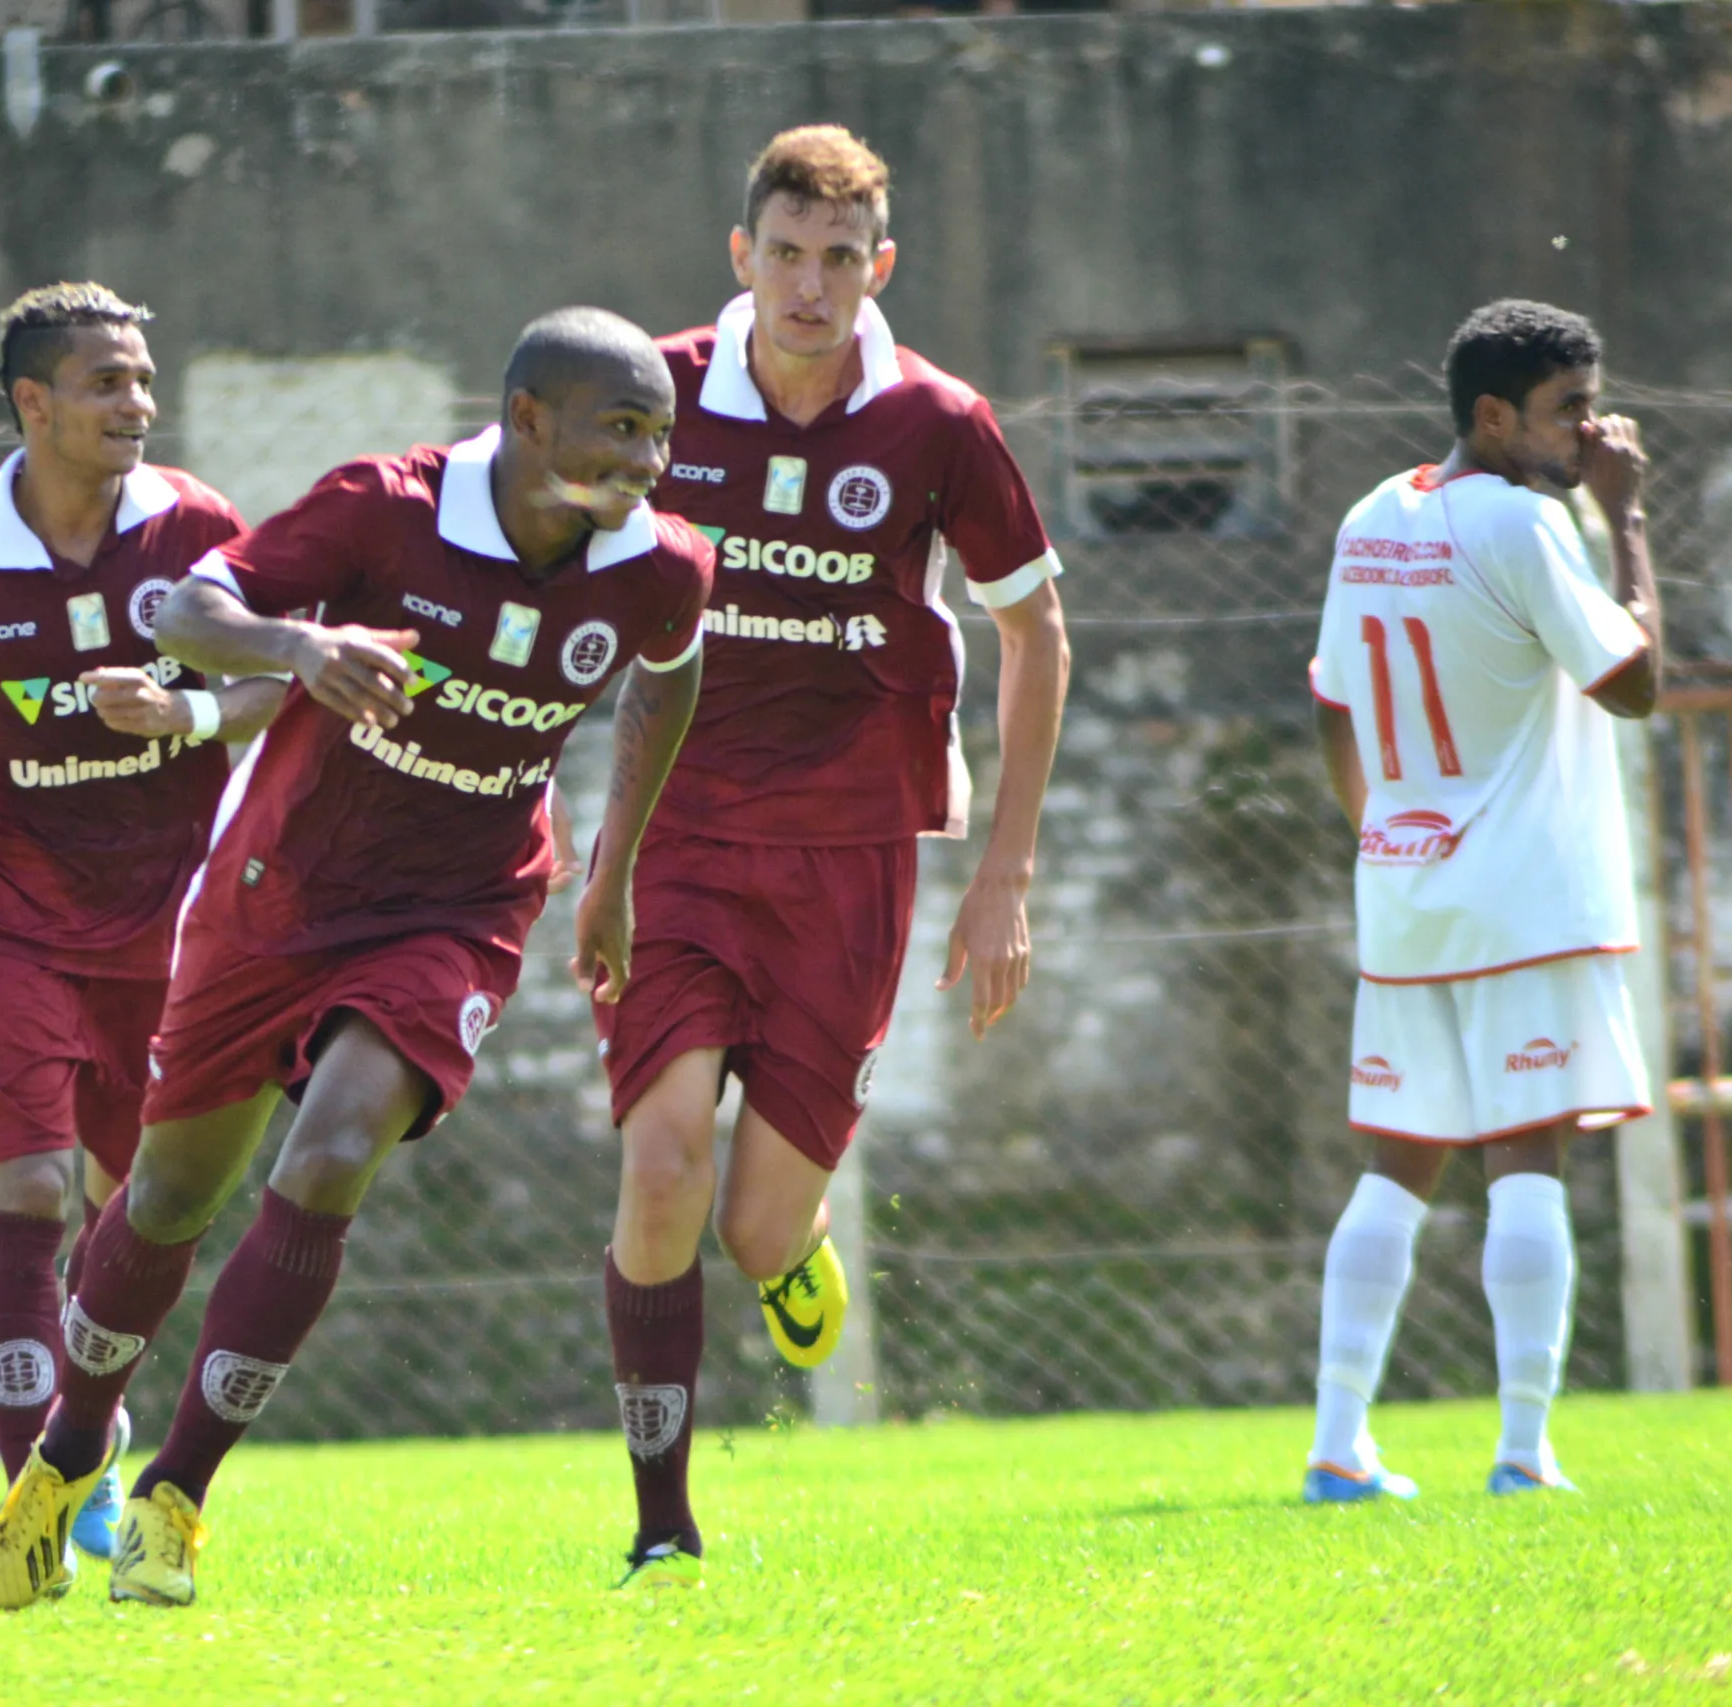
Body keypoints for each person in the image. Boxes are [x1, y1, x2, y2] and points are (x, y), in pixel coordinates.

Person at [0, 306, 715, 1610]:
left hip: (460, 906)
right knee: (164, 1201)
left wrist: (614, 870)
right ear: (532, 421)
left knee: (326, 1159)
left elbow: (669, 674)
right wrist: (301, 646)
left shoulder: (660, 564)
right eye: (622, 426)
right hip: (280, 891)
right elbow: (195, 611)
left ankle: (177, 1496)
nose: (648, 457)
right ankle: (71, 1451)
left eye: (661, 432)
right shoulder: (388, 509)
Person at [592, 125, 1069, 1586]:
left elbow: (1032, 628)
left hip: (852, 852)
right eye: (785, 255)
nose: (810, 286)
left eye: (839, 260)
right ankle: (663, 1519)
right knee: (663, 1164)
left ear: (881, 268)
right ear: (742, 257)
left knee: (750, 1222)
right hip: (677, 836)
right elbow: (534, 568)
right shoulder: (651, 396)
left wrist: (1005, 871)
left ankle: (792, 1251)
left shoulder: (937, 422)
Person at [0, 282, 281, 1608]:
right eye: (105, 383)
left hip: (168, 920)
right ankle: (38, 1497)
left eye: (143, 380)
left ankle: (91, 1419)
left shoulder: (195, 530)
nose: (136, 404)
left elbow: (272, 672)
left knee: (136, 1211)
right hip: (1, 902)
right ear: (33, 402)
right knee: (25, 1187)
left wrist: (186, 713)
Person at [1302, 298, 1658, 1503]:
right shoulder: (1525, 524)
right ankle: (1521, 1448)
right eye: (1567, 414)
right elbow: (1634, 681)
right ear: (1494, 417)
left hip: (1410, 893)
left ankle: (1337, 1444)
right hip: (1525, 902)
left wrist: (1384, 837)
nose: (1588, 434)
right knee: (1526, 1166)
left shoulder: (1369, 514)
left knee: (1393, 1168)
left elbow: (1332, 702)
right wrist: (1628, 517)